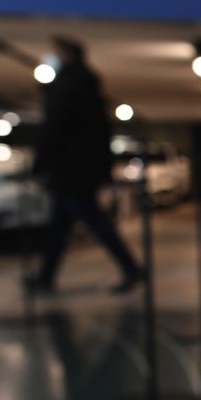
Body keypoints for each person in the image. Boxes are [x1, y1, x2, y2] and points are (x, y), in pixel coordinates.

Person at [27, 36, 143, 295]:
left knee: (94, 222)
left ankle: (131, 268)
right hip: (79, 169)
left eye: (55, 54)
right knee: (60, 226)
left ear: (67, 56)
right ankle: (45, 276)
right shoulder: (87, 88)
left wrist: (39, 165)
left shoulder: (67, 89)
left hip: (71, 171)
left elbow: (53, 130)